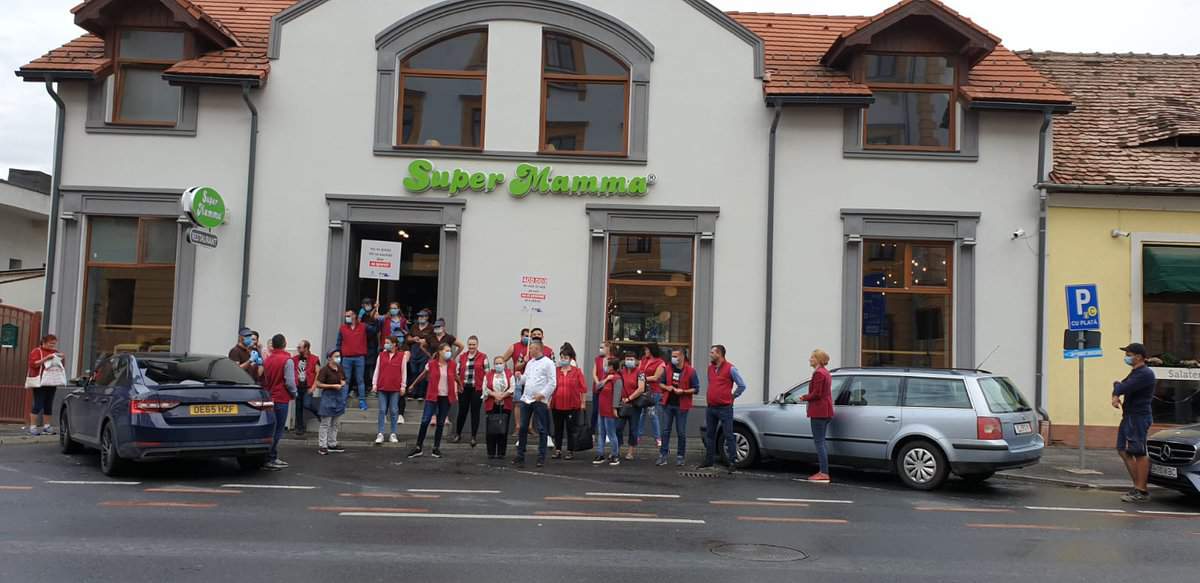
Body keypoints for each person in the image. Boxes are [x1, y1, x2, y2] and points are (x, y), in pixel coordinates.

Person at [1112, 342, 1157, 503]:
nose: (1126, 357)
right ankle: (1138, 486)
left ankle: (1141, 490)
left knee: (1138, 452)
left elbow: (1123, 386)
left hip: (1138, 417)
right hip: (1129, 416)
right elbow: (1119, 385)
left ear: (1138, 357)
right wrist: (1116, 393)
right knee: (1123, 450)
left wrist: (1117, 392)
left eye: (1128, 354)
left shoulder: (1145, 374)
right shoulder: (1135, 372)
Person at [700, 345, 747, 474]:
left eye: (712, 352)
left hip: (724, 407)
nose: (710, 355)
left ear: (719, 354)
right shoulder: (710, 368)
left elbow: (742, 385)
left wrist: (733, 396)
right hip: (711, 407)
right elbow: (712, 384)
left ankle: (732, 461)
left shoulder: (730, 368)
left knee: (728, 434)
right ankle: (708, 460)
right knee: (710, 434)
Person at [407, 342, 458, 459]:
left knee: (440, 422)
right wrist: (413, 384)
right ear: (440, 352)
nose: (448, 352)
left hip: (446, 396)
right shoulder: (432, 364)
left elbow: (455, 376)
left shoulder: (452, 365)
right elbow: (423, 375)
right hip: (433, 396)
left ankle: (436, 448)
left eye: (449, 350)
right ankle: (418, 447)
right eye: (446, 350)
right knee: (425, 420)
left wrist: (459, 385)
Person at [514, 338, 556, 467]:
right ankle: (520, 454)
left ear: (537, 349)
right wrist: (519, 377)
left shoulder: (548, 363)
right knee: (523, 427)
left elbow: (552, 382)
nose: (529, 350)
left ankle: (541, 456)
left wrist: (543, 394)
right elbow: (526, 378)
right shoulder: (530, 363)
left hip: (539, 400)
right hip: (527, 399)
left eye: (531, 348)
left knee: (542, 429)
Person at [261, 334, 298, 470]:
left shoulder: (268, 360)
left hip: (270, 397)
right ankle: (270, 458)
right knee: (278, 430)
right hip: (281, 398)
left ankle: (270, 456)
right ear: (284, 343)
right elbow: (289, 382)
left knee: (271, 428)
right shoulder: (287, 360)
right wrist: (294, 393)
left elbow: (265, 379)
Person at [658, 348, 699, 466]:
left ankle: (680, 456)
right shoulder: (668, 368)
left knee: (681, 432)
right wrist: (667, 388)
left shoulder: (690, 371)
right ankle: (663, 455)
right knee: (665, 430)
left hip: (682, 406)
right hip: (668, 404)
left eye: (675, 356)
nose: (673, 358)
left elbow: (696, 389)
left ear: (681, 357)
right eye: (672, 356)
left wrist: (684, 391)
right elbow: (661, 383)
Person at [799, 349, 834, 483]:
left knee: (819, 442)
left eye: (812, 357)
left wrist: (804, 397)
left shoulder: (818, 373)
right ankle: (823, 471)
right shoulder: (826, 373)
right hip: (826, 410)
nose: (810, 359)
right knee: (822, 442)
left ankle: (824, 472)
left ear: (818, 359)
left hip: (819, 411)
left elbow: (817, 393)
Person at [551, 343, 588, 460]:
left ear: (570, 359)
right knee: (558, 428)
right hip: (557, 405)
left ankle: (570, 450)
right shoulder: (556, 371)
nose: (563, 360)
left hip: (572, 405)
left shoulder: (577, 371)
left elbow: (583, 388)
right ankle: (557, 450)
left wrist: (583, 403)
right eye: (561, 357)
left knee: (571, 429)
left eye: (566, 358)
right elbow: (551, 386)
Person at [335, 309, 376, 411]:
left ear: (354, 316)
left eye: (348, 315)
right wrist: (338, 355)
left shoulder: (363, 326)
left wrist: (374, 318)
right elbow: (338, 342)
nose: (346, 317)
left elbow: (374, 330)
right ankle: (343, 402)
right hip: (346, 357)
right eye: (346, 316)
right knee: (346, 380)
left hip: (359, 357)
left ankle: (362, 401)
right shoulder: (343, 328)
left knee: (360, 380)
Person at [372, 335, 409, 445]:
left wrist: (403, 386)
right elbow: (377, 370)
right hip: (382, 386)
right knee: (382, 410)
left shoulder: (402, 356)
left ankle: (393, 433)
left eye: (388, 342)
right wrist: (374, 384)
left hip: (395, 388)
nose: (385, 344)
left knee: (394, 411)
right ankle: (380, 433)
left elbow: (404, 372)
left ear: (394, 344)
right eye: (385, 342)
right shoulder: (381, 355)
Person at [25, 334, 64, 436]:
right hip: (40, 381)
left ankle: (47, 426)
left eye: (54, 344)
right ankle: (33, 427)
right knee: (38, 404)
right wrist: (46, 358)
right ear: (44, 342)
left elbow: (60, 366)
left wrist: (62, 358)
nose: (53, 346)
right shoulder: (37, 351)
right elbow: (33, 364)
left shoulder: (55, 352)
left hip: (52, 381)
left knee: (48, 404)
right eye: (51, 343)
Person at [313, 350, 348, 455]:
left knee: (335, 423)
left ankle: (332, 443)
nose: (338, 358)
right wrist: (332, 386)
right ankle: (322, 445)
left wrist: (343, 383)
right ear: (329, 358)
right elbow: (318, 384)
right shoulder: (324, 370)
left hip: (338, 398)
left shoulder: (340, 368)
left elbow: (344, 380)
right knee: (325, 423)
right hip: (328, 398)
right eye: (336, 356)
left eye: (339, 356)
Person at [454, 336, 486, 446]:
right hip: (463, 389)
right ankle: (458, 434)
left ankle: (473, 437)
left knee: (475, 413)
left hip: (477, 389)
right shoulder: (462, 357)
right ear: (467, 345)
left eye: (474, 344)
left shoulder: (483, 357)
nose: (471, 346)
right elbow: (456, 373)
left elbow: (487, 375)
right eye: (470, 344)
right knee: (462, 412)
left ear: (477, 345)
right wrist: (458, 385)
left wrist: (485, 389)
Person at [615, 351, 645, 460]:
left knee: (633, 429)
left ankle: (630, 451)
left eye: (631, 359)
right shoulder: (620, 372)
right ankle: (617, 448)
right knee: (618, 427)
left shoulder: (640, 373)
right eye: (627, 359)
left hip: (635, 405)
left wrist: (629, 398)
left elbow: (641, 388)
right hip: (622, 404)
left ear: (636, 361)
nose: (629, 361)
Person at [483, 356, 514, 459]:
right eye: (496, 363)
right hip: (492, 404)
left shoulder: (509, 374)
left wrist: (502, 396)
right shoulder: (488, 375)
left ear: (504, 364)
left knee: (503, 429)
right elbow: (485, 388)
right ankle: (491, 452)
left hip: (505, 404)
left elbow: (512, 388)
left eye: (500, 363)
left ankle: (501, 453)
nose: (498, 365)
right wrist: (494, 395)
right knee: (491, 430)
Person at [593, 358, 622, 466]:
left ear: (612, 367)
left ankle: (615, 454)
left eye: (607, 365)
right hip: (602, 409)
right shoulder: (606, 377)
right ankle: (600, 453)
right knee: (601, 433)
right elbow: (597, 387)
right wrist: (605, 380)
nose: (605, 367)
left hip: (609, 410)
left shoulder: (617, 379)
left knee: (611, 433)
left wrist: (615, 408)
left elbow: (617, 395)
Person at [640, 343, 667, 449]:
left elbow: (656, 377)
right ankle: (638, 435)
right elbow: (639, 371)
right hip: (643, 390)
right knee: (641, 413)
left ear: (651, 350)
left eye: (647, 350)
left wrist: (643, 378)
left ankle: (658, 437)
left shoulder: (660, 362)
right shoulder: (643, 360)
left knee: (652, 414)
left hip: (654, 391)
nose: (645, 352)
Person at [291, 340, 320, 436]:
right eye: (298, 347)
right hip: (298, 386)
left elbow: (318, 374)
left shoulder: (314, 359)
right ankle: (299, 428)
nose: (298, 349)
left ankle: (319, 413)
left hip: (308, 386)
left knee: (307, 404)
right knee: (298, 407)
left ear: (306, 348)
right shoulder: (295, 359)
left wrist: (313, 387)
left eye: (300, 347)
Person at [359, 298, 382, 398]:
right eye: (365, 304)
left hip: (372, 345)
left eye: (368, 304)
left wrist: (365, 326)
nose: (367, 305)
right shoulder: (362, 316)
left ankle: (372, 387)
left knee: (371, 367)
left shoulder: (375, 317)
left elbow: (375, 330)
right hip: (362, 345)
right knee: (362, 368)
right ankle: (362, 388)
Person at [591, 342, 614, 444]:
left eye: (602, 347)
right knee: (595, 411)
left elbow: (614, 374)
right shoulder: (598, 359)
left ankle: (608, 433)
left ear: (608, 348)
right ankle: (592, 433)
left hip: (608, 389)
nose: (600, 349)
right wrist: (598, 383)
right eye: (600, 347)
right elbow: (594, 373)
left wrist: (605, 384)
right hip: (598, 388)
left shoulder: (613, 359)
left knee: (607, 412)